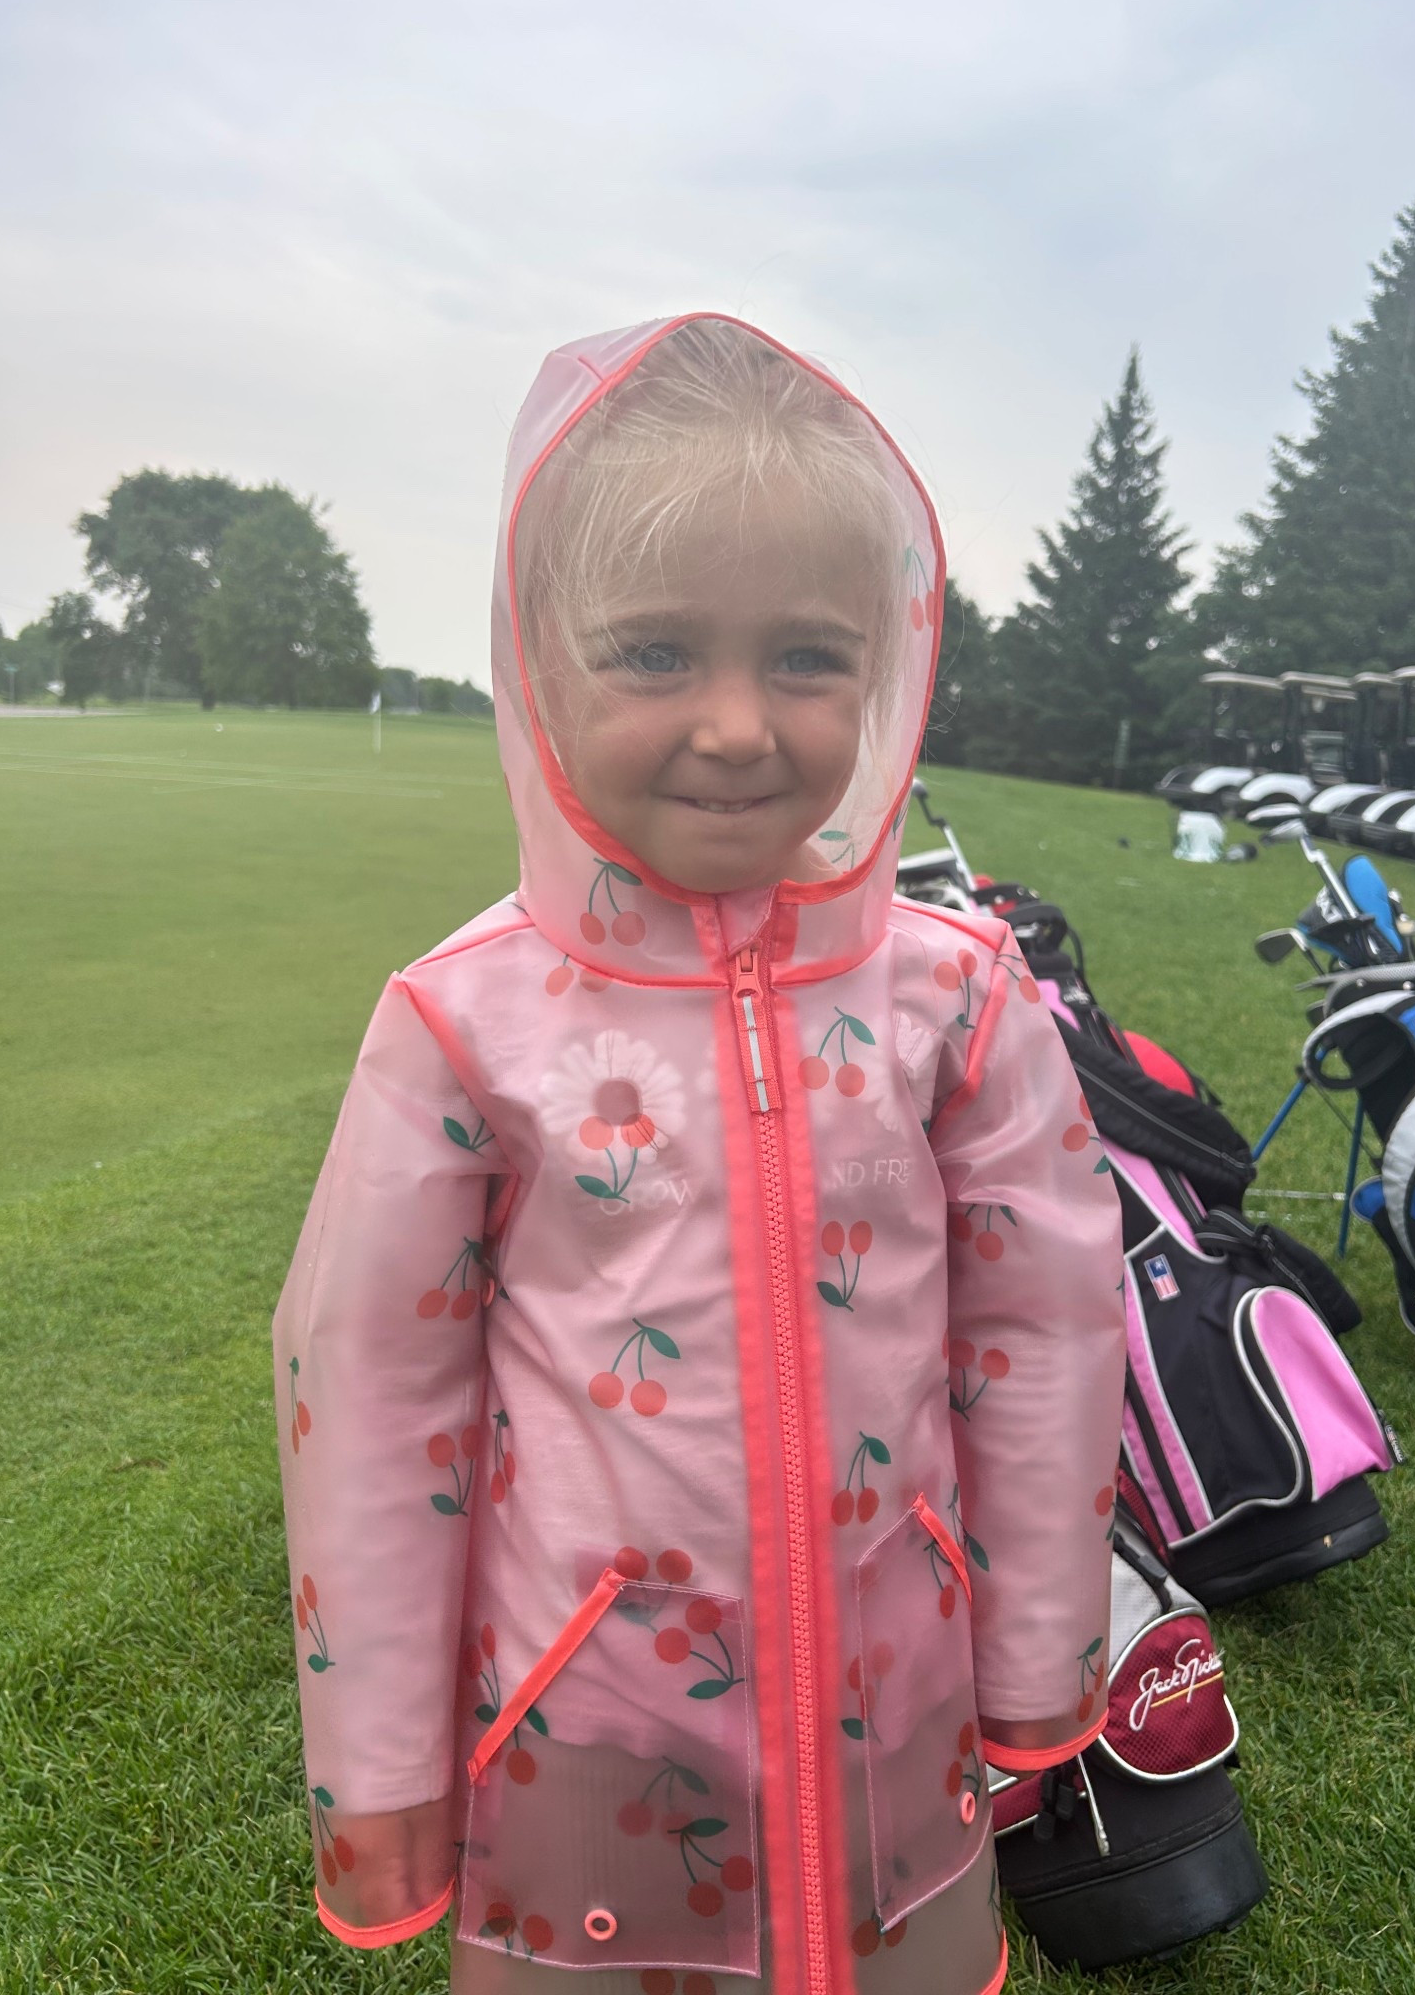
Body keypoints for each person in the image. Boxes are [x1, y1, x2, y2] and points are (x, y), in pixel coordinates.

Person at [273, 314, 1127, 1995]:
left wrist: (1035, 1649)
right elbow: (365, 1390)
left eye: (806, 658)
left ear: (883, 668)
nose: (738, 725)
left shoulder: (960, 999)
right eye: (656, 653)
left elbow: (1048, 1332)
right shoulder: (466, 1027)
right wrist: (381, 1772)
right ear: (541, 661)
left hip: (900, 1722)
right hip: (590, 1737)